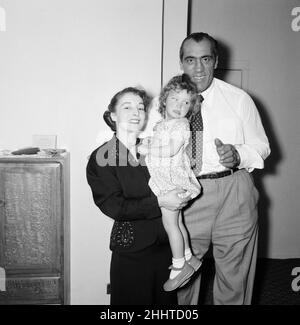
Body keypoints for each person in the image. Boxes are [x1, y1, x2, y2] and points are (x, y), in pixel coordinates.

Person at [175, 32, 271, 305]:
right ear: (181, 62)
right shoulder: (167, 103)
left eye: (205, 59)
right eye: (191, 60)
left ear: (216, 61)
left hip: (234, 191)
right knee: (183, 277)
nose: (198, 68)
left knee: (235, 278)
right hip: (188, 193)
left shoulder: (239, 99)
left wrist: (238, 154)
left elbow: (262, 146)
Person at [86, 87, 190, 305]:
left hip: (166, 247)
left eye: (141, 108)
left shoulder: (154, 147)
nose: (136, 112)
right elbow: (115, 207)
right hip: (132, 250)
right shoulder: (102, 157)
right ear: (113, 116)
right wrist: (161, 201)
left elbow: (178, 172)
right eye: (127, 107)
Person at [138, 75, 202, 292]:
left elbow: (171, 149)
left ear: (191, 108)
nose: (180, 106)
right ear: (164, 100)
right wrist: (149, 142)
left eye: (186, 103)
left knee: (170, 225)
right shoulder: (164, 124)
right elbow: (160, 143)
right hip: (168, 178)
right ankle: (188, 258)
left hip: (171, 181)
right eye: (175, 99)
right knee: (179, 223)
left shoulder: (181, 125)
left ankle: (178, 267)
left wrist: (147, 150)